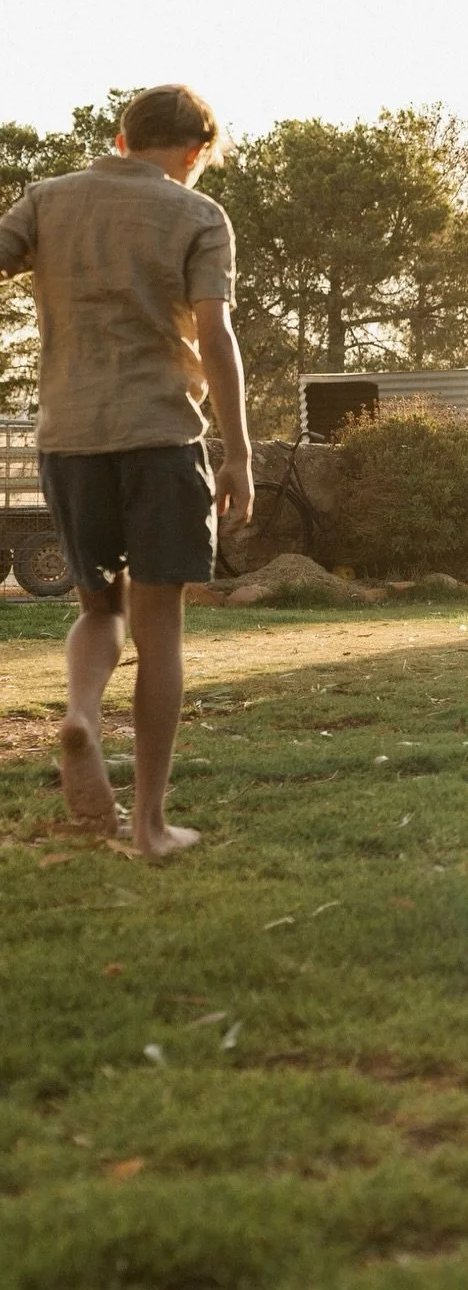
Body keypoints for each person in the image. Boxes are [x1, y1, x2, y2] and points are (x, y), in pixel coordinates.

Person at [0, 85, 253, 858]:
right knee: (160, 631)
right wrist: (239, 450)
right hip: (162, 437)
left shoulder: (46, 199)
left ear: (119, 137)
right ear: (195, 151)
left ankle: (80, 712)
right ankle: (147, 825)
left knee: (98, 607)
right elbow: (216, 336)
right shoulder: (198, 215)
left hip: (70, 438)